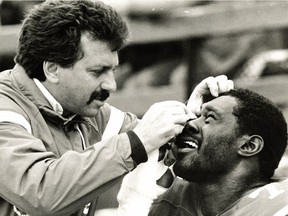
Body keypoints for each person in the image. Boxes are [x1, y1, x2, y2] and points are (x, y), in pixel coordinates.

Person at [0, 0, 234, 215]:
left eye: (113, 70)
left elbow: (154, 141)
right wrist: (136, 142)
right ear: (52, 70)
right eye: (97, 71)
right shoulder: (5, 108)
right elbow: (40, 193)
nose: (111, 85)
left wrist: (190, 117)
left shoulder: (83, 108)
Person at [117, 88, 288, 216]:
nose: (189, 123)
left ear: (248, 146)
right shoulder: (164, 197)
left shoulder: (279, 207)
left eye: (209, 118)